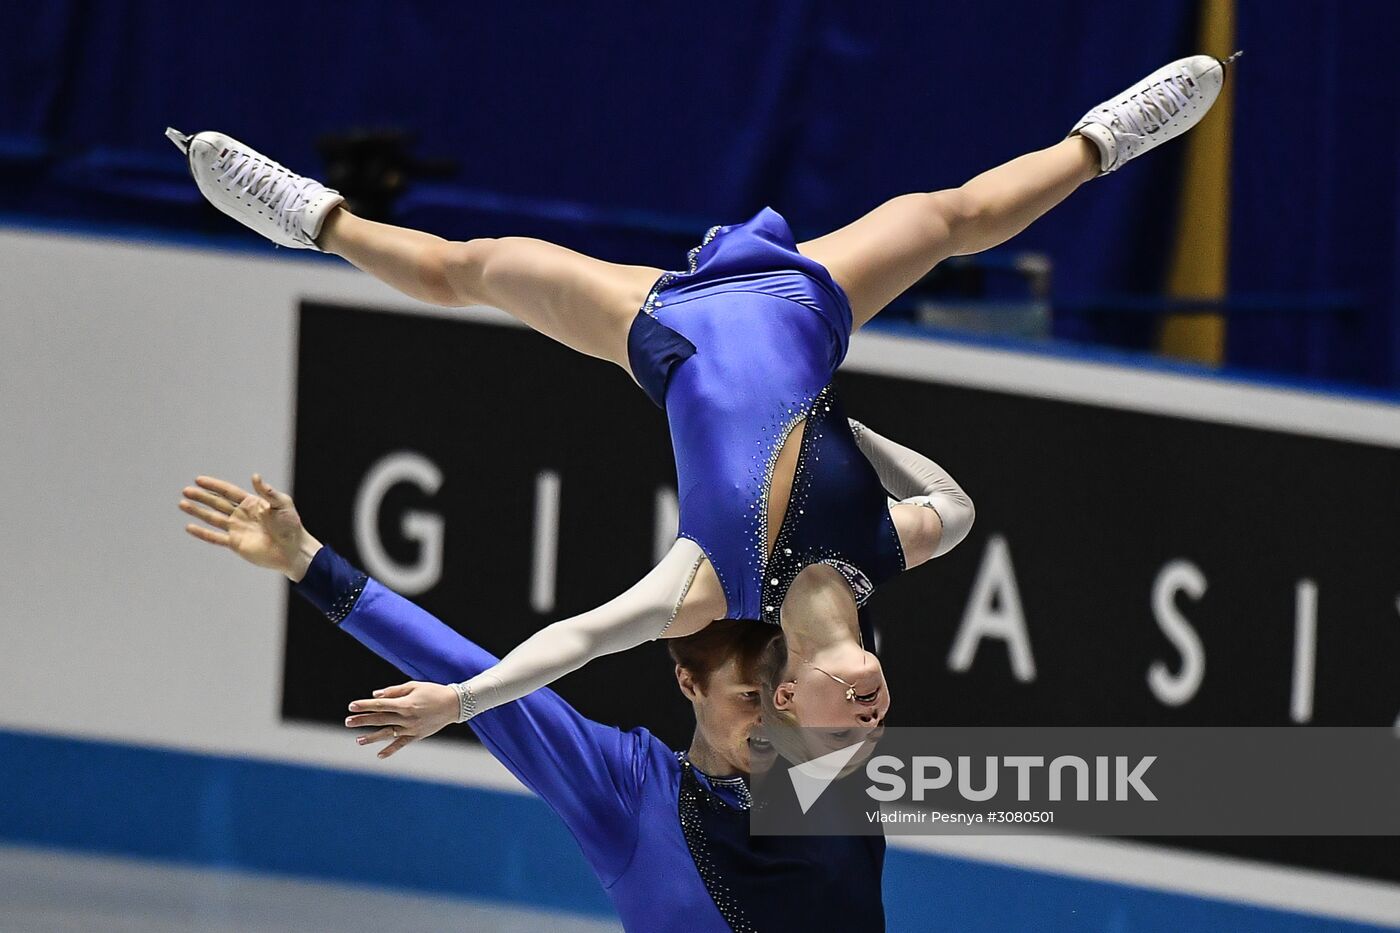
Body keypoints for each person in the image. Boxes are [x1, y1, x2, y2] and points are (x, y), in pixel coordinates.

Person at [168, 55, 1231, 742]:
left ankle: (312, 215)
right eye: (873, 717)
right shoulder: (889, 548)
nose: (860, 717)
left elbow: (575, 641)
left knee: (471, 269)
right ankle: (1107, 139)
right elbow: (954, 506)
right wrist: (841, 426)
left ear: (780, 697)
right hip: (797, 308)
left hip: (666, 332)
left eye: (833, 725)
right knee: (946, 217)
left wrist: (460, 700)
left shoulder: (710, 590)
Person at [179, 473, 887, 931]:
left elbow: (994, 782)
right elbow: (476, 673)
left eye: (788, 697)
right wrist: (310, 562)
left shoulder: (836, 767)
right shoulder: (628, 792)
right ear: (688, 682)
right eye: (748, 698)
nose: (772, 718)